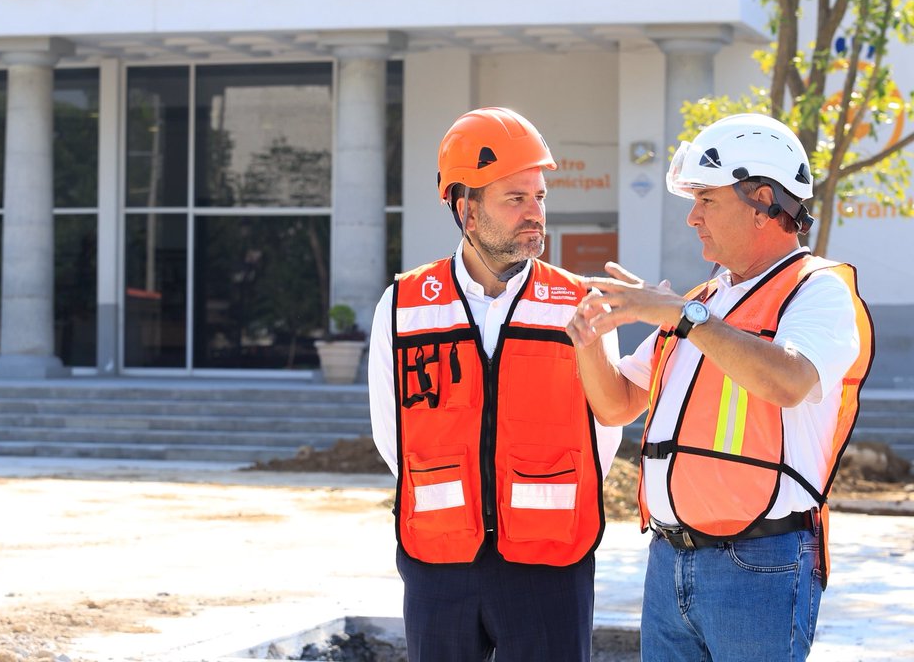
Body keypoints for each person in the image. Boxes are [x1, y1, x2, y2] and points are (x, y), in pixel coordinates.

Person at [564, 113, 874, 661]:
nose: (692, 217)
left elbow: (788, 379)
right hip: (669, 559)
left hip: (760, 565)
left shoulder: (817, 291)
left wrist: (681, 314)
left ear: (761, 202)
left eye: (706, 199)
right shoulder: (704, 300)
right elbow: (614, 406)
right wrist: (590, 337)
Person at [368, 106, 622, 662]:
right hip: (438, 562)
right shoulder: (404, 306)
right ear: (465, 208)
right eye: (515, 199)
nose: (535, 214)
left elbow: (604, 432)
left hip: (550, 561)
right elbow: (394, 437)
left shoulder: (580, 302)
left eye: (540, 197)